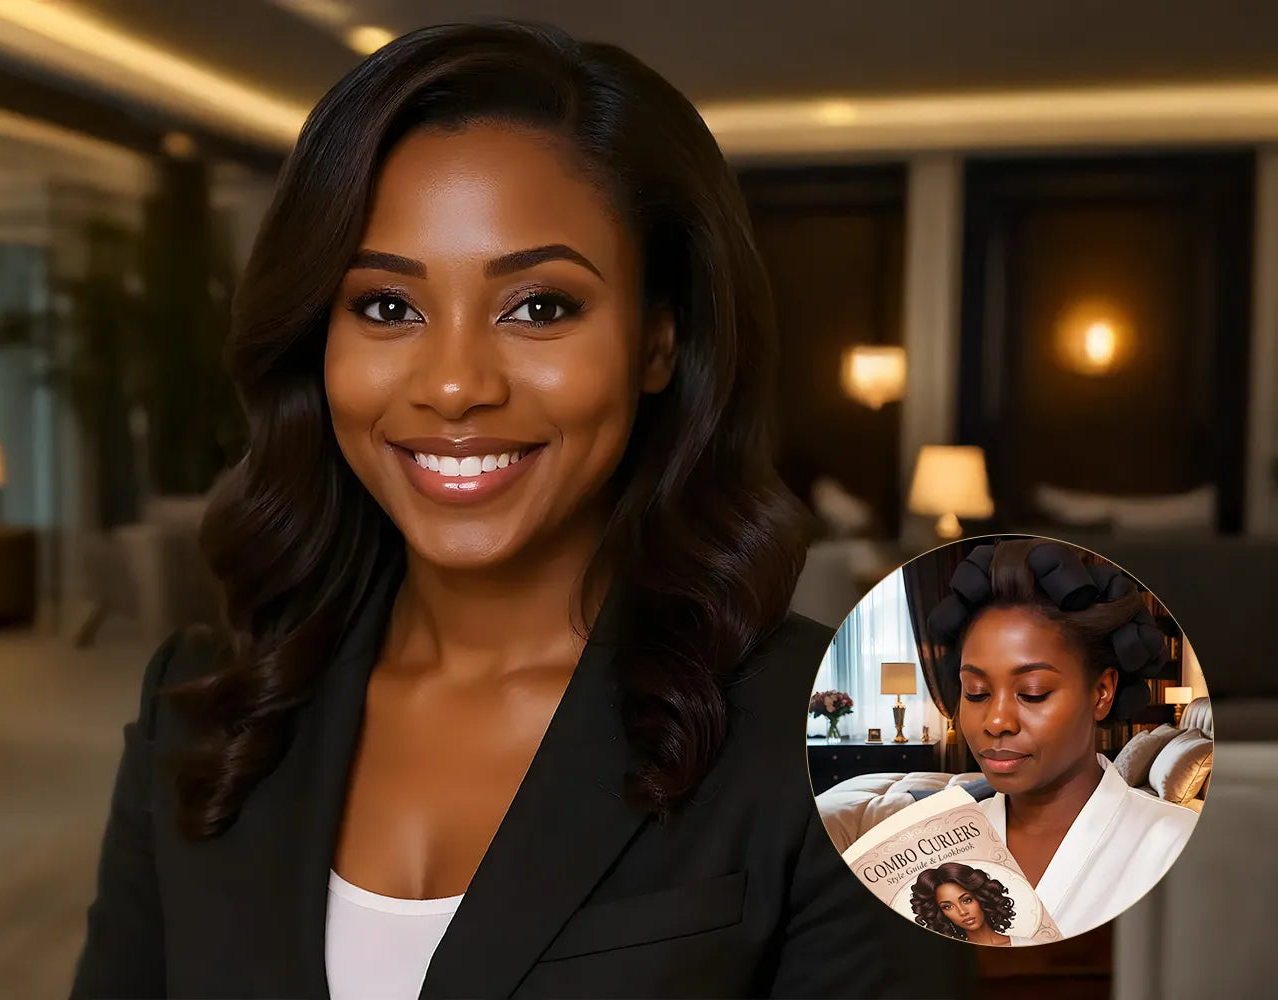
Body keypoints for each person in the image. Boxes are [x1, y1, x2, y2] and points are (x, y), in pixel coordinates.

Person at [70, 20, 972, 998]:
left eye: (538, 306)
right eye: (386, 306)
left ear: (658, 342)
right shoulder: (202, 704)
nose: (454, 385)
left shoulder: (862, 749)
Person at [922, 537, 1199, 940]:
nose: (996, 721)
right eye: (976, 692)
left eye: (1033, 692)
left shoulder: (1176, 843)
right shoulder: (935, 847)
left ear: (1101, 692)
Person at [910, 863, 1016, 946]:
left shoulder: (1025, 945)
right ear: (941, 914)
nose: (962, 911)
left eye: (966, 900)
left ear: (981, 898)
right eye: (948, 907)